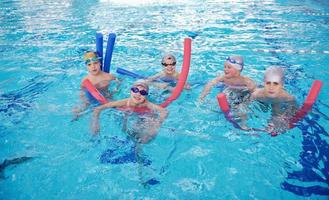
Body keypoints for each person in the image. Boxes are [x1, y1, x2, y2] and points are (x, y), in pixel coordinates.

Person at [92, 80, 169, 143]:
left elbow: (164, 112)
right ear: (130, 91)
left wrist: (156, 125)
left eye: (142, 93)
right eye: (135, 90)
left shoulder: (147, 104)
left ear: (146, 96)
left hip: (144, 115)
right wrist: (96, 124)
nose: (138, 94)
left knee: (145, 139)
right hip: (130, 113)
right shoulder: (125, 102)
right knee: (124, 130)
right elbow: (98, 109)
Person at [199, 55, 256, 129]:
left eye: (229, 67)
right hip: (229, 94)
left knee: (241, 109)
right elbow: (211, 83)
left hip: (242, 95)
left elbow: (254, 92)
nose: (225, 69)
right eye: (224, 67)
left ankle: (243, 124)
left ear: (238, 69)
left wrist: (249, 102)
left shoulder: (246, 81)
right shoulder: (224, 78)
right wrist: (202, 96)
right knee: (217, 106)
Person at [72, 51, 119, 120]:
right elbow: (82, 91)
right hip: (91, 98)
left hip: (106, 96)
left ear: (100, 63)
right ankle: (76, 117)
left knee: (114, 107)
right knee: (77, 110)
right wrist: (84, 99)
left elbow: (118, 82)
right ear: (86, 67)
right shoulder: (86, 80)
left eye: (95, 63)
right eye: (89, 65)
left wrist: (115, 91)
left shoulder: (109, 76)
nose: (93, 66)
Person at [251, 66, 297, 134]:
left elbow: (294, 110)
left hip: (278, 102)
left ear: (282, 85)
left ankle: (272, 126)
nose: (271, 87)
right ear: (264, 83)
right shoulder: (256, 95)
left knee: (277, 115)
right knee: (262, 110)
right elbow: (247, 105)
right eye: (268, 83)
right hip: (263, 100)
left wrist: (285, 118)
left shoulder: (287, 97)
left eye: (275, 84)